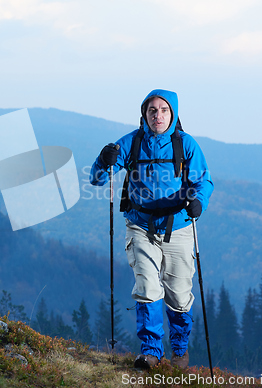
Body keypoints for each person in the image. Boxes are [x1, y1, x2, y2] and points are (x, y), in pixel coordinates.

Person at [90, 89, 213, 369]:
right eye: (152, 110)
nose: (158, 115)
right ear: (144, 114)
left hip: (179, 226)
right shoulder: (132, 142)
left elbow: (203, 182)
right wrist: (103, 159)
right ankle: (151, 352)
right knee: (147, 287)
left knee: (179, 295)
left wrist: (199, 203)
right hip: (140, 226)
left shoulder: (186, 144)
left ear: (174, 113)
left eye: (164, 110)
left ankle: (179, 351)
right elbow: (97, 179)